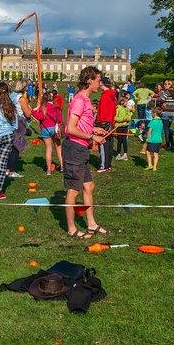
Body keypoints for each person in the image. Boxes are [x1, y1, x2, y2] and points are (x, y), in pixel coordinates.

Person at [63, 66, 107, 239]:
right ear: (89, 80)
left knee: (88, 186)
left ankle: (91, 224)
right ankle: (71, 228)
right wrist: (91, 137)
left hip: (81, 149)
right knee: (73, 191)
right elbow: (70, 128)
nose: (99, 83)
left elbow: (82, 123)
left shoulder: (87, 100)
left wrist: (94, 129)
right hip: (74, 149)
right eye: (98, 80)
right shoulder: (80, 100)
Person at [31, 91, 64, 175]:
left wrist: (32, 111)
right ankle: (62, 166)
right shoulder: (56, 107)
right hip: (54, 129)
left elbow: (39, 117)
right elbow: (59, 119)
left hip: (45, 129)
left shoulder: (42, 108)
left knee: (48, 149)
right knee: (58, 147)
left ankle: (49, 170)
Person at [95, 76, 117, 172]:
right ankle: (108, 165)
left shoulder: (105, 95)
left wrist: (98, 122)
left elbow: (103, 111)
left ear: (102, 83)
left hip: (103, 122)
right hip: (110, 121)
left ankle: (103, 166)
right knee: (109, 144)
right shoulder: (112, 94)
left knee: (103, 143)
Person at [158, 79, 174, 151]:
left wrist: (161, 103)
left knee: (166, 129)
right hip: (172, 113)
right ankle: (172, 144)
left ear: (171, 85)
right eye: (165, 84)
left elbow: (160, 100)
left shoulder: (167, 92)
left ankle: (168, 145)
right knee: (168, 129)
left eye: (168, 84)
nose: (166, 85)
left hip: (165, 112)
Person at [144, 101, 165, 171]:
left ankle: (150, 165)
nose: (151, 114)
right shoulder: (161, 121)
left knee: (148, 152)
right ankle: (155, 167)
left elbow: (150, 131)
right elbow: (161, 131)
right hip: (159, 140)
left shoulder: (152, 121)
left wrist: (147, 137)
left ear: (155, 113)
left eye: (152, 113)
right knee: (156, 153)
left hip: (152, 139)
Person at [114, 93, 133, 162]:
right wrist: (122, 120)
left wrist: (127, 119)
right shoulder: (118, 108)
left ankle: (125, 154)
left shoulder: (127, 109)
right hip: (119, 127)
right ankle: (118, 154)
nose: (127, 103)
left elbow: (129, 117)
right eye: (126, 102)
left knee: (124, 140)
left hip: (125, 126)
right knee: (119, 141)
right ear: (122, 102)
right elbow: (115, 117)